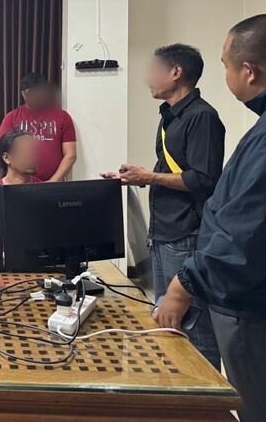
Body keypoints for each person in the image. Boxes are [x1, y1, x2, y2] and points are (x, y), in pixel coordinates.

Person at [155, 14, 266, 422]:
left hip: (264, 310)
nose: (225, 75)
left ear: (249, 71)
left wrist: (185, 283)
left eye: (225, 65)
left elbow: (250, 234)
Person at [102, 44, 226, 367]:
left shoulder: (202, 117)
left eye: (154, 71)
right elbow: (171, 172)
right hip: (163, 231)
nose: (148, 79)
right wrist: (135, 177)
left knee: (193, 324)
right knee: (165, 316)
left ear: (176, 72)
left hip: (187, 234)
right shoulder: (170, 116)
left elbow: (203, 179)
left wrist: (149, 176)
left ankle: (205, 392)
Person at [0, 73, 77, 182]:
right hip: (20, 183)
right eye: (31, 93)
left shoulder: (62, 117)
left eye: (39, 92)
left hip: (53, 184)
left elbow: (70, 155)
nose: (36, 97)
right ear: (23, 94)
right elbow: (3, 150)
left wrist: (52, 183)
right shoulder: (12, 117)